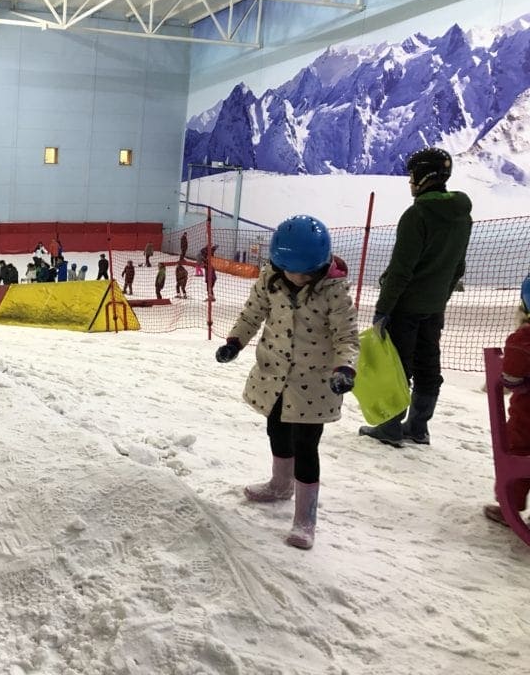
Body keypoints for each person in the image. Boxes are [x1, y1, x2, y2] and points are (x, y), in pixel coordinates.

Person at [215, 215, 358, 549]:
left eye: (305, 272)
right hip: (274, 374)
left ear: (320, 265)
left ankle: (305, 518)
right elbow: (252, 313)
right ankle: (280, 484)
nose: (297, 278)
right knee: (276, 429)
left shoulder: (334, 292)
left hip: (316, 383)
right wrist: (235, 342)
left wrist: (345, 369)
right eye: (290, 270)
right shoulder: (271, 279)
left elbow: (347, 337)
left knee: (306, 446)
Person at [359, 147, 473, 448]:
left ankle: (390, 426)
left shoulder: (416, 215)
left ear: (423, 176)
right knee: (428, 365)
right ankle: (419, 427)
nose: (410, 181)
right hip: (434, 307)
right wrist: (439, 298)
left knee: (398, 366)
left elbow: (400, 271)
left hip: (406, 307)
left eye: (412, 175)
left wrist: (383, 309)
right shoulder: (462, 216)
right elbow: (457, 267)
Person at [483, 276, 530, 525]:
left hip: (526, 421)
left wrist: (510, 381)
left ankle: (509, 506)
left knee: (518, 456)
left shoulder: (523, 339)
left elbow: (511, 377)